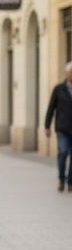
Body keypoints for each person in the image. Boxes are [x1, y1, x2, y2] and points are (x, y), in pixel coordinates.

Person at [44, 62, 72, 192]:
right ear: (66, 74)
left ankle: (70, 182)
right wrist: (47, 126)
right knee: (63, 152)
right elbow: (51, 108)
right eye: (70, 72)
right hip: (62, 128)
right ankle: (61, 179)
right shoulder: (58, 89)